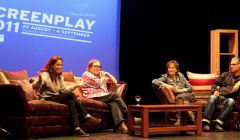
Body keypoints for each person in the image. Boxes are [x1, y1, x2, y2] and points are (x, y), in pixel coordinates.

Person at [32, 56, 101, 137]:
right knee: (71, 95)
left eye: (61, 65)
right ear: (51, 65)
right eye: (58, 65)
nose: (60, 67)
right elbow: (35, 87)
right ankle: (86, 116)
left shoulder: (60, 76)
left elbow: (63, 90)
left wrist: (76, 85)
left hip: (56, 97)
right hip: (47, 98)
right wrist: (39, 80)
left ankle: (76, 128)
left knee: (71, 102)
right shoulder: (45, 75)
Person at [80, 59, 128, 133]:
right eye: (95, 66)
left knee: (113, 103)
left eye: (99, 66)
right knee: (115, 95)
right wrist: (102, 78)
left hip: (101, 95)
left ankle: (119, 126)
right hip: (92, 96)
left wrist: (108, 74)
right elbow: (97, 84)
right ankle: (128, 113)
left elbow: (115, 82)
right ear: (90, 67)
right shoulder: (86, 74)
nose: (98, 68)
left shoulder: (99, 75)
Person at [152, 60, 195, 125]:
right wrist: (166, 85)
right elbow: (154, 81)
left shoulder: (181, 76)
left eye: (173, 68)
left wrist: (180, 90)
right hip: (178, 99)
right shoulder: (166, 77)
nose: (171, 69)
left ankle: (180, 119)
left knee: (179, 97)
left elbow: (190, 88)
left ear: (177, 69)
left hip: (188, 95)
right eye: (169, 68)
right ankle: (190, 118)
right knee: (180, 99)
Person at [202, 57, 240, 132]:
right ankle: (206, 123)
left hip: (229, 98)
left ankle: (218, 122)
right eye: (230, 64)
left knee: (231, 101)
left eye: (233, 64)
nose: (231, 66)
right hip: (219, 96)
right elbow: (214, 85)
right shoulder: (225, 74)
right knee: (212, 97)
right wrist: (215, 91)